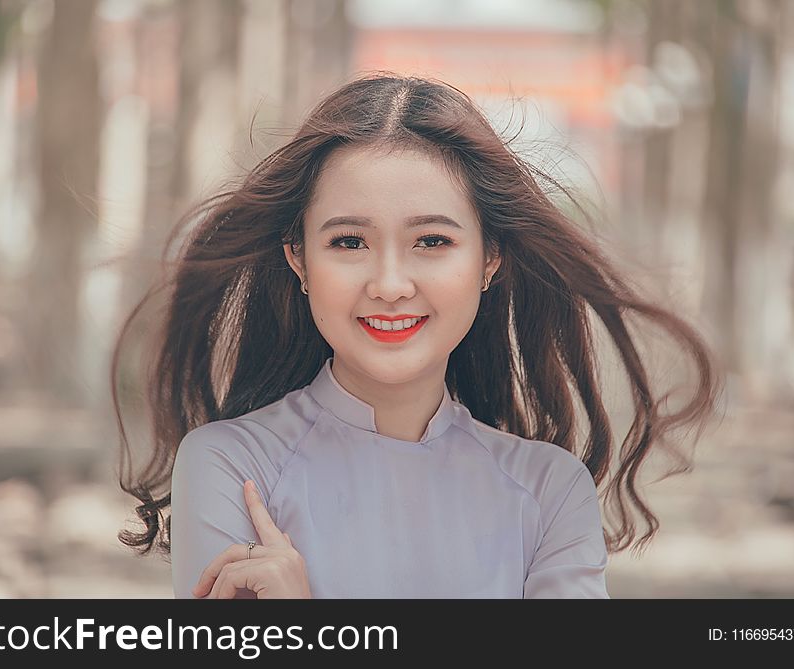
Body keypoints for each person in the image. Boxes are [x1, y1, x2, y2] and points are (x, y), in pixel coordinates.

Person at [113, 72, 722, 598]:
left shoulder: (550, 492)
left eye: (432, 241)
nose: (390, 284)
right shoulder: (229, 466)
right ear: (299, 260)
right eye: (348, 242)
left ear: (490, 260)